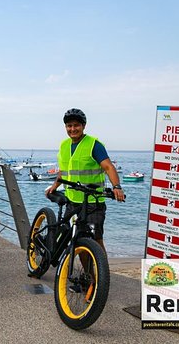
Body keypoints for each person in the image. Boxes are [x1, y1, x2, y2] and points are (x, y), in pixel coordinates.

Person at [45, 108, 125, 253]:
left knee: (95, 239)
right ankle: (86, 273)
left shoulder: (93, 144)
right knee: (74, 236)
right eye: (69, 126)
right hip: (72, 200)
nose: (72, 129)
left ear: (83, 126)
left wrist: (117, 187)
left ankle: (101, 273)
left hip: (93, 201)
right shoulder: (64, 145)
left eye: (76, 125)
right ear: (65, 127)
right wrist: (55, 186)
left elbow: (108, 167)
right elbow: (64, 171)